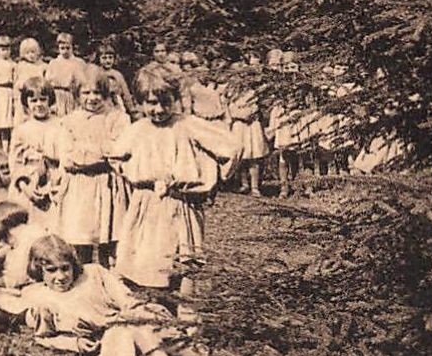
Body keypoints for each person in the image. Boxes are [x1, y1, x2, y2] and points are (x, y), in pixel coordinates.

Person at [108, 73, 241, 310]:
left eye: (165, 102)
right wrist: (135, 173)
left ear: (175, 100)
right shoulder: (137, 129)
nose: (159, 109)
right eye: (151, 103)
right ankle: (158, 310)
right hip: (147, 201)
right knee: (150, 255)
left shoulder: (187, 124)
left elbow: (231, 147)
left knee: (185, 257)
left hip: (183, 202)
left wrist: (211, 180)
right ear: (140, 103)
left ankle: (187, 312)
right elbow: (115, 155)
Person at [18, 235, 196, 356]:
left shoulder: (94, 273)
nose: (61, 276)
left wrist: (134, 312)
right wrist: (75, 343)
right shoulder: (42, 299)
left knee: (158, 333)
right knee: (140, 333)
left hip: (133, 320)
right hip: (114, 341)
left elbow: (126, 298)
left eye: (65, 268)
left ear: (73, 265)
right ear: (38, 270)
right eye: (51, 270)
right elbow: (44, 337)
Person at [46, 74, 129, 268]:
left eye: (97, 92)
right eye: (86, 92)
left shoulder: (116, 118)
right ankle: (80, 274)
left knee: (107, 236)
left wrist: (86, 153)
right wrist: (100, 153)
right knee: (79, 235)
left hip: (106, 184)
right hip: (78, 186)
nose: (92, 98)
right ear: (76, 94)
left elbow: (118, 150)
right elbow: (67, 158)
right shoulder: (68, 122)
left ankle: (108, 277)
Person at [7, 76, 58, 203]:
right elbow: (15, 163)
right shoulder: (21, 130)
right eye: (34, 100)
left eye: (43, 100)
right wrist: (25, 187)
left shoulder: (60, 125)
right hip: (27, 183)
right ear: (26, 103)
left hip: (53, 181)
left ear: (50, 101)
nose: (39, 104)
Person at [227, 50, 269, 196]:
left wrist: (253, 113)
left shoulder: (256, 88)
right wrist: (240, 115)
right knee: (242, 155)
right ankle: (243, 183)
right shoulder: (233, 90)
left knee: (254, 155)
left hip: (253, 124)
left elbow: (261, 104)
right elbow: (229, 107)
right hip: (239, 124)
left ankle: (255, 186)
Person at [44, 32, 97, 117]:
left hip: (72, 96)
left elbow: (85, 83)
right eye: (62, 48)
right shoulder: (53, 63)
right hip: (57, 97)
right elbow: (47, 84)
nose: (65, 51)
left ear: (72, 47)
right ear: (58, 48)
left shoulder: (79, 63)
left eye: (68, 48)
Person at [95, 41, 137, 119]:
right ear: (99, 58)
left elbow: (125, 93)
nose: (108, 61)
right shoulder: (96, 73)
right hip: (101, 104)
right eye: (104, 58)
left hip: (116, 103)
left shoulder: (118, 74)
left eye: (110, 58)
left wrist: (132, 109)